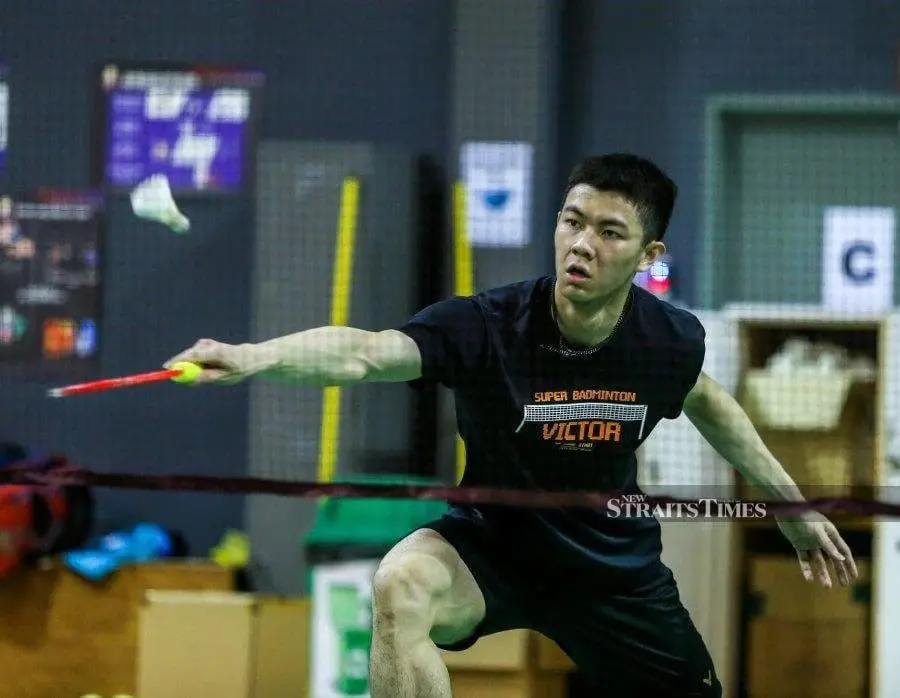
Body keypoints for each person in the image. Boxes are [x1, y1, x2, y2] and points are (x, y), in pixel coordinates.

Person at [166, 153, 858, 697]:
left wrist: (790, 507)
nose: (581, 244)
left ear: (649, 254)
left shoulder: (665, 340)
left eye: (609, 232)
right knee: (400, 586)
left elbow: (708, 402)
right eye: (572, 221)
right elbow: (366, 353)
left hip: (608, 567)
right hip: (491, 547)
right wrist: (251, 357)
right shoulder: (486, 327)